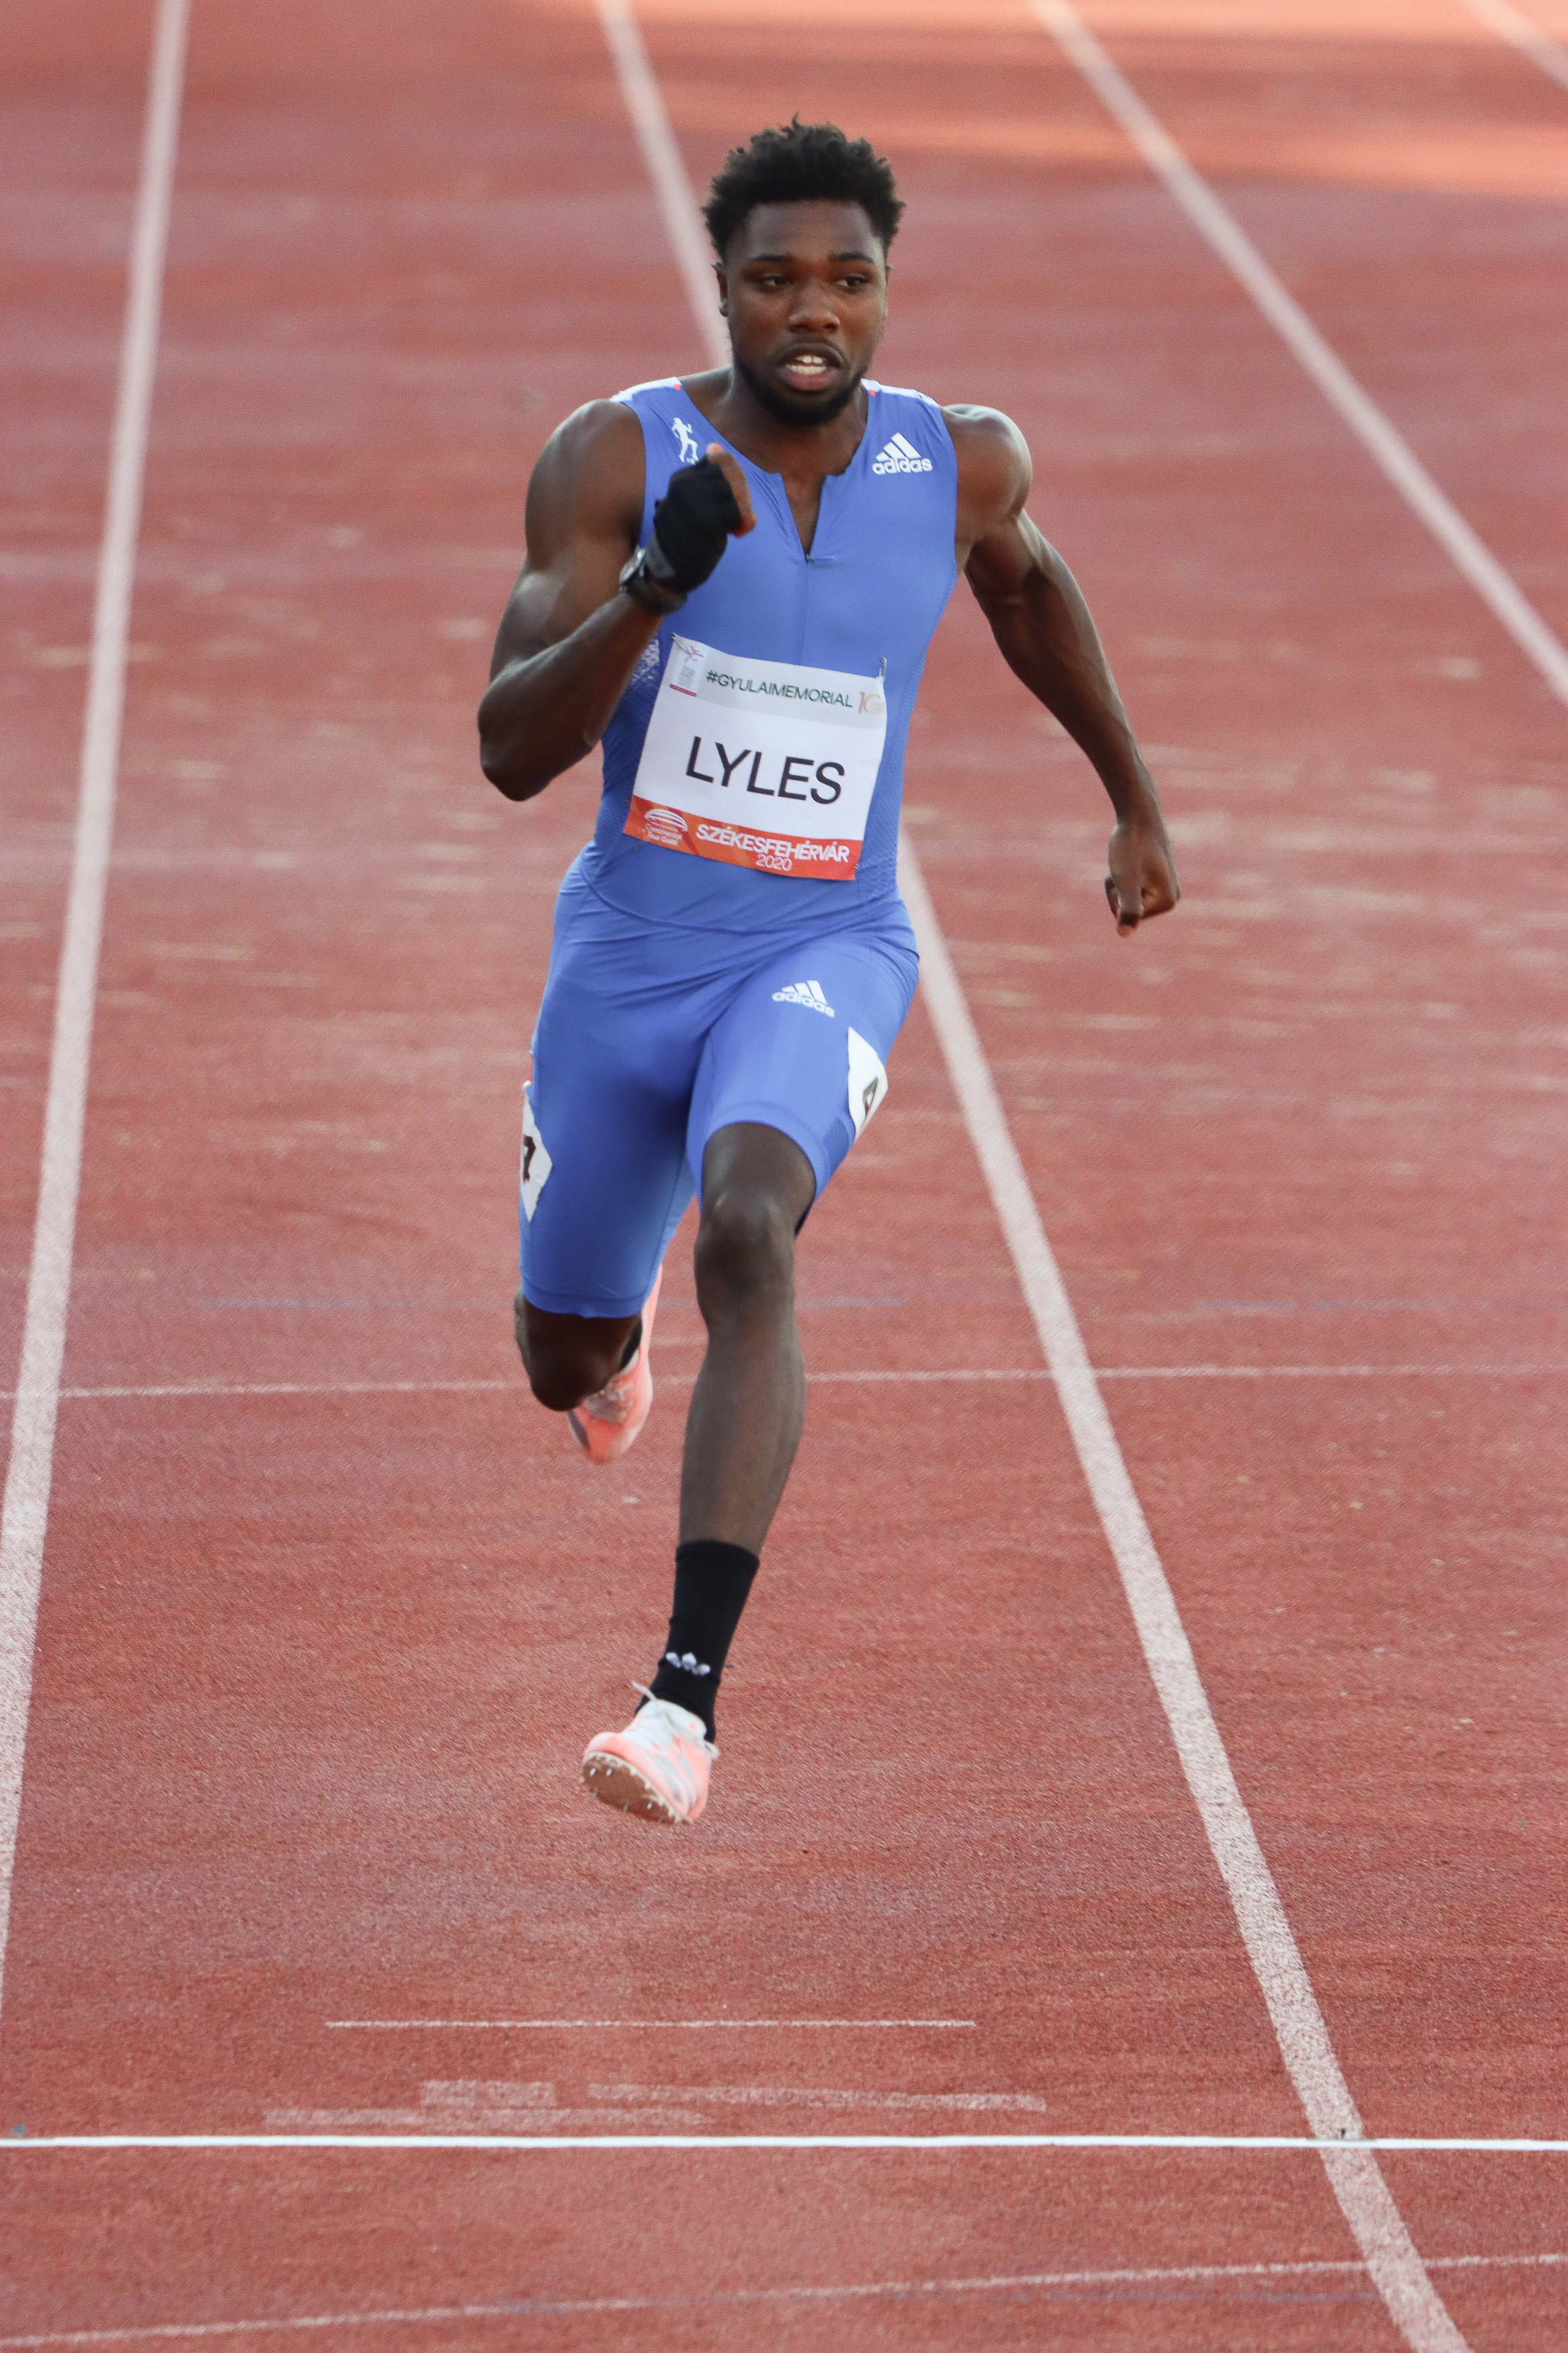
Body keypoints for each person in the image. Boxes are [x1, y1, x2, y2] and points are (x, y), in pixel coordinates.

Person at [477, 120, 1178, 1827]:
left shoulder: (959, 461)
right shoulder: (614, 456)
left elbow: (1030, 594)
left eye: (849, 280)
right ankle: (614, 1347)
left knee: (748, 1226)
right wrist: (655, 587)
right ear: (722, 285)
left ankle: (682, 1706)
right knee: (559, 1357)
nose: (814, 311)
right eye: (776, 278)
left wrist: (1135, 798)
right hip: (632, 959)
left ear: (886, 290)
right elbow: (509, 749)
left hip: (825, 944)